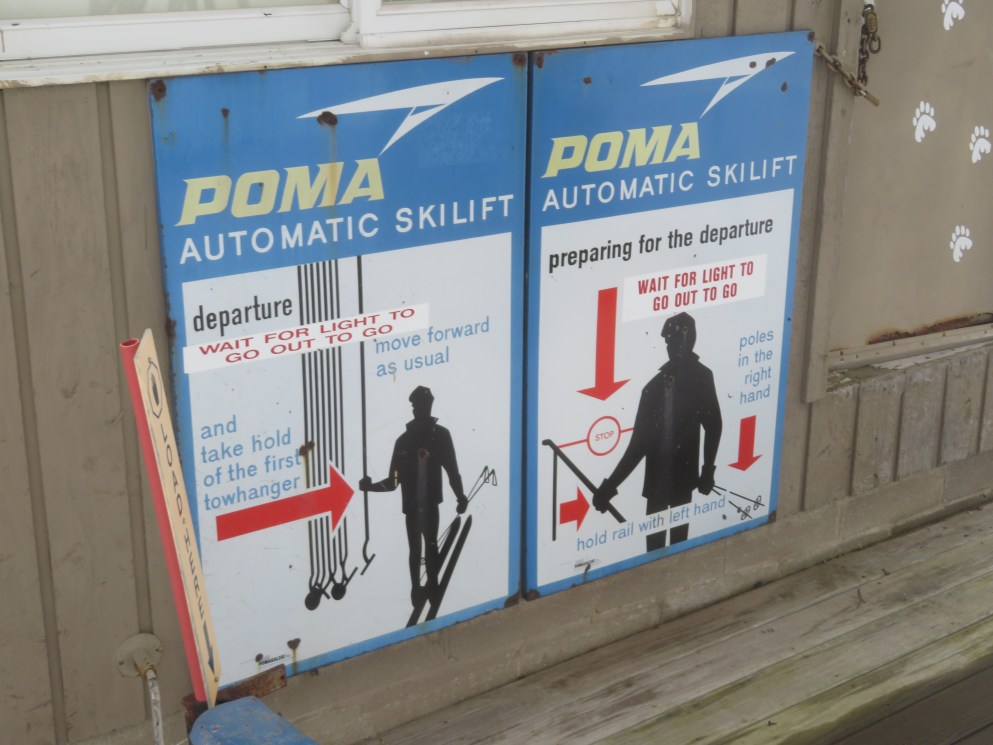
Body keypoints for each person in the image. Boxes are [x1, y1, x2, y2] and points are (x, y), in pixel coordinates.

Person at [593, 312, 722, 551]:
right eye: (668, 342)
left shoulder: (699, 378)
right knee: (659, 546)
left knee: (673, 544)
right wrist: (609, 487)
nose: (672, 347)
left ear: (690, 340)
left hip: (677, 481)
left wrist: (708, 470)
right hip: (664, 483)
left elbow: (714, 424)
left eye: (675, 340)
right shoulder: (654, 388)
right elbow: (638, 445)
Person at [359, 386, 468, 606]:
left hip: (422, 504)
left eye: (424, 404)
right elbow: (393, 481)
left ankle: (426, 587)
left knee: (424, 547)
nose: (422, 408)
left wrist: (460, 496)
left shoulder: (433, 437)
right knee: (422, 547)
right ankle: (420, 588)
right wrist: (369, 487)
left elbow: (451, 471)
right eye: (420, 405)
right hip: (416, 505)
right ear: (415, 408)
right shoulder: (411, 440)